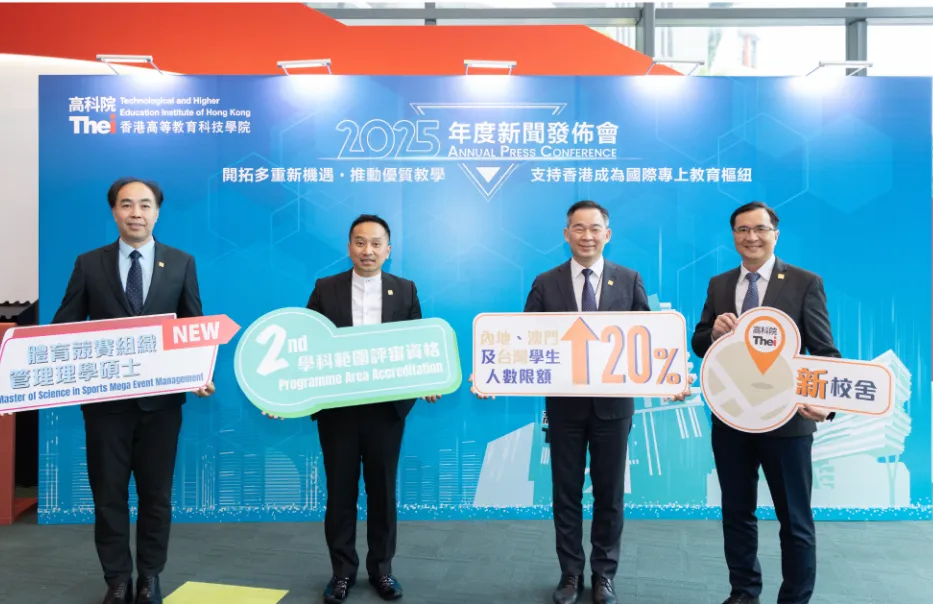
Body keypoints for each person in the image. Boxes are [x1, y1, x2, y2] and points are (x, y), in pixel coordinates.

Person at [475, 200, 649, 604]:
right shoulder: (545, 282)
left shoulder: (629, 279)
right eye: (578, 228)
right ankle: (570, 573)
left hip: (613, 408)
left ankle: (604, 574)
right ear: (566, 234)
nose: (587, 236)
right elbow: (521, 343)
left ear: (607, 234)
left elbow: (648, 338)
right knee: (566, 492)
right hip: (564, 408)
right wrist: (489, 372)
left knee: (610, 495)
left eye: (595, 228)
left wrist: (670, 378)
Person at [52, 177, 215, 604]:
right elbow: (63, 327)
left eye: (145, 205)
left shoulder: (181, 262)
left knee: (156, 496)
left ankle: (150, 577)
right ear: (114, 212)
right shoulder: (89, 264)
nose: (136, 213)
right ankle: (117, 579)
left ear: (157, 212)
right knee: (108, 496)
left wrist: (200, 372)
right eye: (126, 204)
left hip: (161, 407)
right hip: (105, 406)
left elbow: (192, 326)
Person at [274, 214, 439, 604]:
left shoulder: (405, 290)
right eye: (360, 242)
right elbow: (304, 344)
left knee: (383, 493)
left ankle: (382, 570)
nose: (368, 250)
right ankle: (342, 573)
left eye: (376, 243)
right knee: (340, 494)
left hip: (385, 411)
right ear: (349, 247)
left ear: (388, 250)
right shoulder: (325, 288)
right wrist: (281, 392)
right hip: (339, 411)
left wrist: (428, 380)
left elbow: (417, 345)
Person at [690, 201, 839, 604]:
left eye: (759, 229)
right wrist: (713, 333)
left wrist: (826, 405)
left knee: (795, 519)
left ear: (776, 234)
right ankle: (743, 592)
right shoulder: (720, 284)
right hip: (732, 420)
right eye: (742, 230)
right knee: (737, 513)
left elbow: (825, 352)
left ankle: (794, 598)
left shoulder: (805, 282)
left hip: (787, 422)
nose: (751, 237)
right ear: (733, 236)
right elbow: (699, 343)